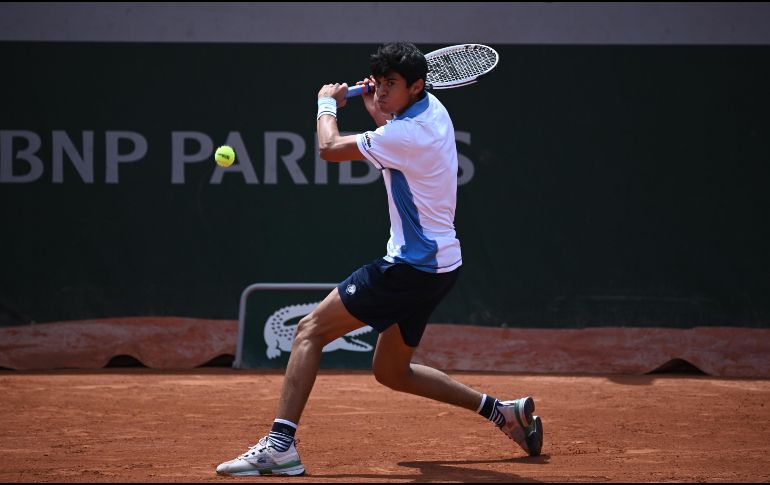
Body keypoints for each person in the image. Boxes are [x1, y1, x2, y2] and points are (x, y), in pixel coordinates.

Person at [215, 42, 543, 477]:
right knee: (392, 372)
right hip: (440, 266)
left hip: (409, 267)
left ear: (417, 85)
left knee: (309, 331)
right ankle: (502, 412)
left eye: (392, 85)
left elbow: (330, 148)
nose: (383, 92)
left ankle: (280, 446)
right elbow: (394, 146)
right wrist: (376, 110)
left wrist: (324, 105)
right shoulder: (431, 109)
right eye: (380, 82)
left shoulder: (406, 135)